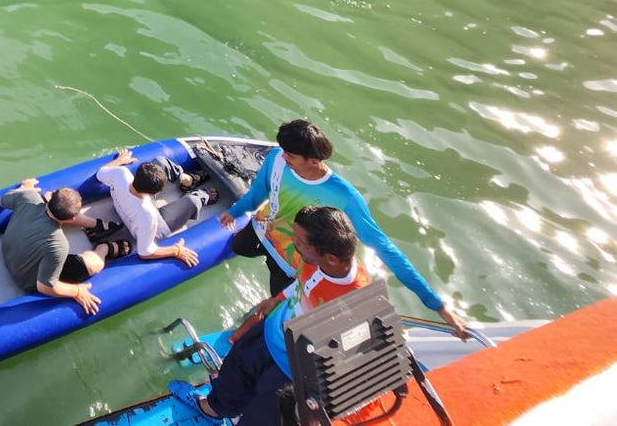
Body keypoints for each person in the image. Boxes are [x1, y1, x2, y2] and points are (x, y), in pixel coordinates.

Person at [220, 120, 466, 337]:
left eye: (291, 156)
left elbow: (386, 250)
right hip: (261, 232)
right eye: (284, 152)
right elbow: (256, 196)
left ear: (313, 161)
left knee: (274, 310)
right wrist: (234, 212)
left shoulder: (345, 196)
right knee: (237, 245)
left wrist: (437, 305)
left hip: (291, 263)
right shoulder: (276, 158)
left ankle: (246, 331)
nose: (283, 157)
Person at [170, 206, 374, 425]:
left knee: (263, 418)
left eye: (300, 241)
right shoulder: (317, 260)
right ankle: (212, 409)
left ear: (331, 259)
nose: (293, 243)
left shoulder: (358, 300)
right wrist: (276, 299)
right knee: (235, 372)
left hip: (290, 370)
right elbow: (302, 282)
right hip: (270, 333)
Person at [0, 179, 129, 318]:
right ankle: (105, 248)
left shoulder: (29, 197)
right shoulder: (58, 244)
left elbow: (2, 200)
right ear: (73, 219)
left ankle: (96, 227)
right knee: (92, 265)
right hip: (28, 277)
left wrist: (25, 188)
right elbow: (45, 286)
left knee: (62, 208)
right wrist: (77, 291)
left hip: (9, 249)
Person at [96, 151, 216, 267]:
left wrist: (118, 161)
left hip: (128, 207)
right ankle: (203, 196)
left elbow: (100, 173)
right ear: (157, 192)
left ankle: (188, 181)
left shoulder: (121, 173)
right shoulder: (149, 216)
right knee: (192, 202)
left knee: (160, 162)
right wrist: (176, 251)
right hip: (158, 226)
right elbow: (145, 252)